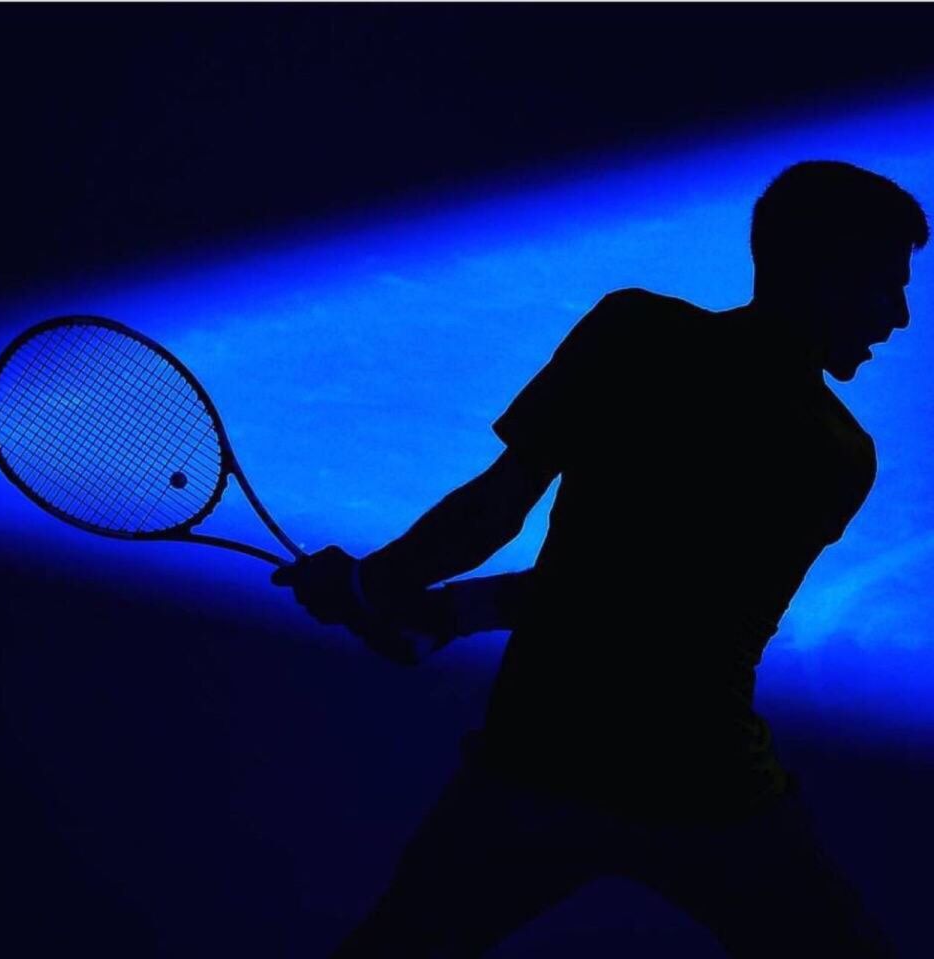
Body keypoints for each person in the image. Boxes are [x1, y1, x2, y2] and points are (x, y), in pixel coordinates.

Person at [272, 160, 926, 957]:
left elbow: (524, 533)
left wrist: (379, 588)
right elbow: (650, 603)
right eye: (885, 286)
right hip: (707, 787)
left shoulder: (633, 330)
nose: (900, 316)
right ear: (824, 274)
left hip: (537, 760)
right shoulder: (836, 454)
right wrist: (424, 605)